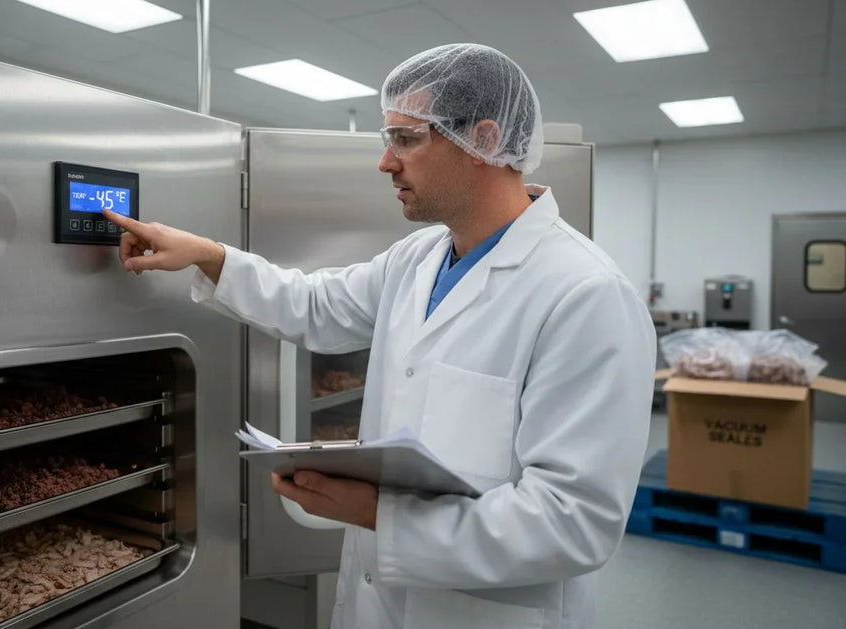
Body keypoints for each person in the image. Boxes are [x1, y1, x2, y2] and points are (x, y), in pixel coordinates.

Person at [104, 44, 655, 629]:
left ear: (486, 140)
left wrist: (379, 515)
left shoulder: (586, 296)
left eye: (407, 139)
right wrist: (210, 256)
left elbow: (575, 524)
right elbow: (316, 305)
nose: (386, 163)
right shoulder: (419, 257)